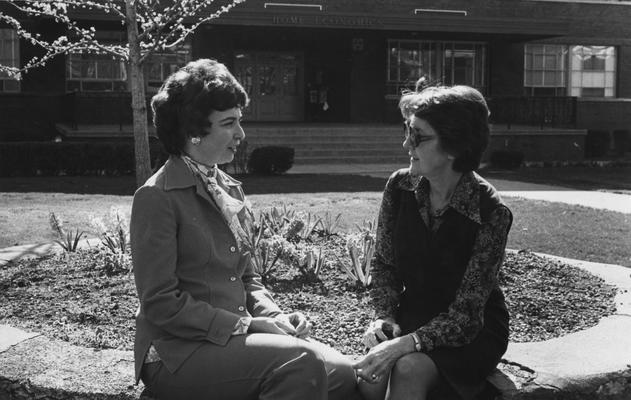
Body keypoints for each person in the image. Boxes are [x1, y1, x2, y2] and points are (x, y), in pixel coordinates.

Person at [130, 58, 359, 400]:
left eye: (240, 120)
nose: (241, 134)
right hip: (176, 353)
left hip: (233, 341)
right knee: (301, 361)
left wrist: (277, 318)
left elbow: (248, 278)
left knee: (342, 375)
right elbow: (161, 303)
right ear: (193, 131)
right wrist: (249, 326)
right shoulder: (156, 197)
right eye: (229, 123)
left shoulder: (229, 188)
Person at [353, 84, 512, 400]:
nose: (406, 144)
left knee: (408, 370)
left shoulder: (490, 211)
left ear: (453, 145)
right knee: (371, 376)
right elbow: (385, 264)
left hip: (472, 332)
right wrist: (383, 316)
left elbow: (466, 315)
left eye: (418, 137)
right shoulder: (399, 186)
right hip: (415, 314)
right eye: (407, 132)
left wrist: (405, 344)